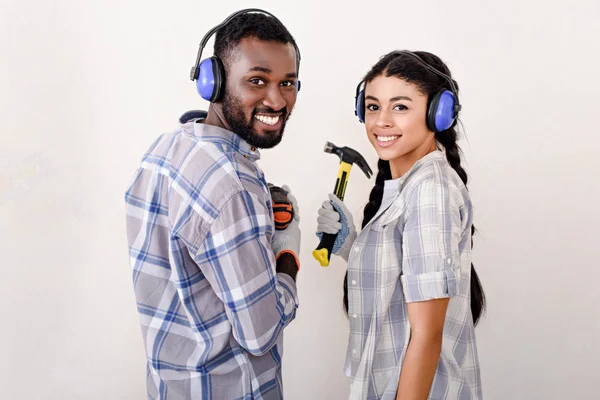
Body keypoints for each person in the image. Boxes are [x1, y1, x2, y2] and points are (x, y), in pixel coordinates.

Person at [124, 9, 302, 399]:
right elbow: (260, 333)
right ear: (214, 81)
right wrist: (287, 250)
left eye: (287, 83)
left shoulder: (165, 149)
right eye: (257, 80)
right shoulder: (232, 190)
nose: (277, 100)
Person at [316, 50, 486, 399]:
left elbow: (426, 335)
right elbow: (401, 280)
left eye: (401, 107)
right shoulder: (408, 186)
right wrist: (352, 245)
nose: (381, 121)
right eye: (373, 106)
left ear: (438, 114)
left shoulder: (430, 191)